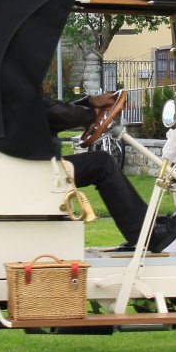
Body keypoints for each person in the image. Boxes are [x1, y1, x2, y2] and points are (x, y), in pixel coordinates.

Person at [45, 93, 147, 246]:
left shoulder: (16, 89)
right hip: (40, 171)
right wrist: (90, 113)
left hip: (33, 167)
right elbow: (50, 112)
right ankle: (146, 233)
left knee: (100, 162)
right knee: (102, 163)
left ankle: (144, 231)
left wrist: (89, 103)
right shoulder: (21, 89)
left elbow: (52, 115)